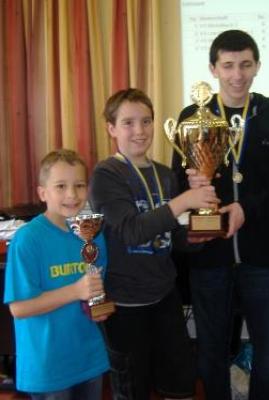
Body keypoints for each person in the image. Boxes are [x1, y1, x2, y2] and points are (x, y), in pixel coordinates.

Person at [171, 29, 269, 400]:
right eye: (228, 65)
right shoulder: (192, 117)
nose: (237, 74)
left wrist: (248, 208)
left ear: (257, 66)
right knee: (211, 350)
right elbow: (178, 184)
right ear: (213, 68)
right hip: (209, 257)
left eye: (245, 64)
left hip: (262, 257)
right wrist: (192, 184)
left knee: (267, 350)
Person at [89, 88, 219, 400]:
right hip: (124, 303)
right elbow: (131, 231)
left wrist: (198, 234)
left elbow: (172, 237)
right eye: (128, 122)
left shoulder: (164, 175)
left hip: (164, 297)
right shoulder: (107, 174)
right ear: (111, 128)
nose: (140, 130)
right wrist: (185, 201)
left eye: (146, 121)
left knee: (180, 385)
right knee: (133, 389)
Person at [3, 149, 109, 399]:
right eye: (61, 186)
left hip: (89, 357)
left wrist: (98, 306)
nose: (71, 194)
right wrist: (75, 291)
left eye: (79, 185)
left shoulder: (92, 235)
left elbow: (95, 290)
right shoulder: (28, 239)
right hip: (49, 366)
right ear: (43, 193)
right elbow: (19, 308)